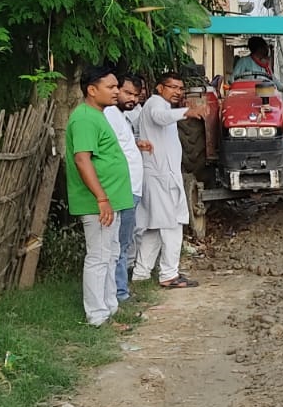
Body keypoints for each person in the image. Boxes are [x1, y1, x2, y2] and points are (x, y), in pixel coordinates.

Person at [65, 67, 135, 327]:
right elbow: (82, 160)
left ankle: (110, 308)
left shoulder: (98, 114)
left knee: (111, 253)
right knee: (98, 256)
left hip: (109, 200)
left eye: (117, 86)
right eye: (111, 87)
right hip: (97, 203)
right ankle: (97, 316)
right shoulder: (84, 118)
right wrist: (102, 198)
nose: (116, 91)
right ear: (91, 90)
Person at [134, 72, 208, 289]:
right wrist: (188, 111)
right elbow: (160, 117)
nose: (177, 91)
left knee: (155, 226)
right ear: (159, 88)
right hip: (160, 175)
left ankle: (141, 273)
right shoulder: (155, 104)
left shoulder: (160, 106)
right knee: (172, 224)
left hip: (162, 174)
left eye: (180, 88)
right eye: (172, 87)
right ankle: (169, 274)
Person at [107, 74, 150, 303]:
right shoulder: (108, 114)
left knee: (122, 243)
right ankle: (119, 294)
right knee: (118, 245)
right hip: (122, 189)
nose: (132, 99)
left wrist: (136, 143)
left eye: (136, 95)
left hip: (131, 189)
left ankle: (119, 291)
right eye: (127, 93)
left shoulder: (121, 117)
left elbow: (121, 144)